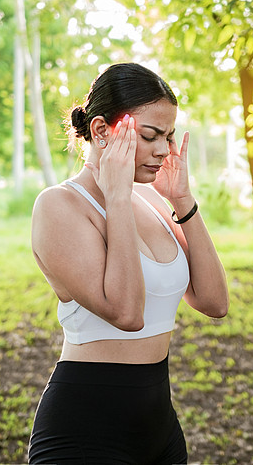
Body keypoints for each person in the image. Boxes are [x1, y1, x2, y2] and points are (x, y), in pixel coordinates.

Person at [27, 62, 229, 464]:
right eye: (150, 136)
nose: (163, 151)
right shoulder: (59, 206)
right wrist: (116, 196)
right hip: (85, 432)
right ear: (102, 131)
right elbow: (126, 312)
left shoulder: (154, 200)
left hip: (160, 428)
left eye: (168, 137)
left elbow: (214, 303)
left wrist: (183, 200)